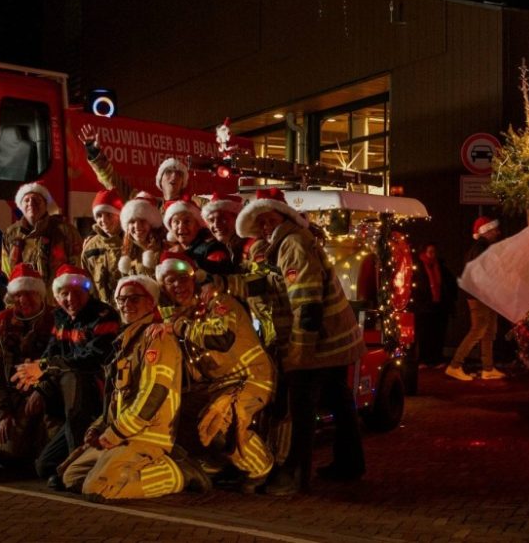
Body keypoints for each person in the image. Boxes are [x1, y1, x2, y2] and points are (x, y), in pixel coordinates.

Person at [237, 192, 365, 495]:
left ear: (284, 217)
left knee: (300, 410)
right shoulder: (285, 243)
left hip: (318, 344)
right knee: (340, 402)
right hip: (335, 339)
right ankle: (349, 464)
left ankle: (294, 475)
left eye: (271, 219)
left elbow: (307, 305)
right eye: (261, 221)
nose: (266, 225)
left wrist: (299, 354)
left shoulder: (291, 244)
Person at [60, 274, 209, 502]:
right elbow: (117, 398)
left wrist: (116, 432)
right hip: (122, 433)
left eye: (134, 299)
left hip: (146, 435)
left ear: (151, 303)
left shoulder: (156, 338)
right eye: (121, 300)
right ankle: (123, 470)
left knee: (98, 489)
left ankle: (178, 473)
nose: (126, 305)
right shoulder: (127, 340)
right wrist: (99, 427)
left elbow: (153, 395)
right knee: (71, 477)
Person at [155, 251, 275, 492]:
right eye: (170, 281)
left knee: (219, 422)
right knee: (175, 412)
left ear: (195, 279)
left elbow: (222, 337)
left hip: (250, 378)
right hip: (218, 385)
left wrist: (181, 327)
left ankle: (260, 469)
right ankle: (218, 464)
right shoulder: (179, 316)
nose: (178, 285)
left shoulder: (219, 303)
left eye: (182, 278)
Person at [11, 264, 120, 482]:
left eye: (76, 292)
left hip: (98, 393)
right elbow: (52, 352)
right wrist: (39, 387)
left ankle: (75, 467)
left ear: (87, 292)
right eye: (64, 294)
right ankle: (70, 461)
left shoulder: (104, 315)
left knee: (73, 376)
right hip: (66, 398)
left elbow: (92, 359)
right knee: (43, 466)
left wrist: (43, 368)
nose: (70, 299)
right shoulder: (60, 316)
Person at [0, 264, 55, 467]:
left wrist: (42, 391)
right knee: (9, 453)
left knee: (49, 453)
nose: (24, 300)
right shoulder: (1, 322)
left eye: (30, 293)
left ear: (40, 294)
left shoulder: (55, 319)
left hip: (49, 397)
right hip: (13, 400)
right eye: (18, 294)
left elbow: (63, 364)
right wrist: (2, 413)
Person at [446, 218, 506, 382]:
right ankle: (455, 365)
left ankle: (488, 368)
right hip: (480, 295)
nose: (497, 233)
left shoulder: (481, 248)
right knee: (479, 329)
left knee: (488, 331)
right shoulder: (481, 249)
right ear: (485, 231)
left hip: (484, 295)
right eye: (494, 230)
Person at [78, 123, 190, 204]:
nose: (174, 176)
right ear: (159, 180)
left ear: (183, 183)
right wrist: (94, 153)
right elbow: (114, 183)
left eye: (179, 174)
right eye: (169, 172)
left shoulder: (193, 208)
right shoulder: (148, 204)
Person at [1, 181, 83, 283]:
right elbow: (7, 271)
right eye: (26, 200)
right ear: (20, 206)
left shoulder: (66, 231)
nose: (31, 203)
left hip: (56, 297)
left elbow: (77, 269)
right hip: (25, 297)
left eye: (36, 199)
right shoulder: (11, 234)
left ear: (45, 204)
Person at [411, 242, 458, 368]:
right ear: (424, 253)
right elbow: (416, 286)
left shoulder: (440, 266)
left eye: (434, 252)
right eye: (430, 252)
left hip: (439, 306)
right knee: (424, 335)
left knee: (438, 334)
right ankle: (423, 360)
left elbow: (449, 283)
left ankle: (436, 359)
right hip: (424, 307)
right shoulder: (417, 267)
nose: (433, 255)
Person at [81, 189, 125, 304]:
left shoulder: (132, 242)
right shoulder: (90, 248)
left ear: (119, 215)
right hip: (104, 314)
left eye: (109, 215)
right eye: (99, 215)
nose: (104, 220)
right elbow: (87, 286)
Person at [116, 191, 166, 277]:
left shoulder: (164, 247)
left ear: (152, 223)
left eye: (142, 221)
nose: (137, 226)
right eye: (132, 221)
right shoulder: (125, 249)